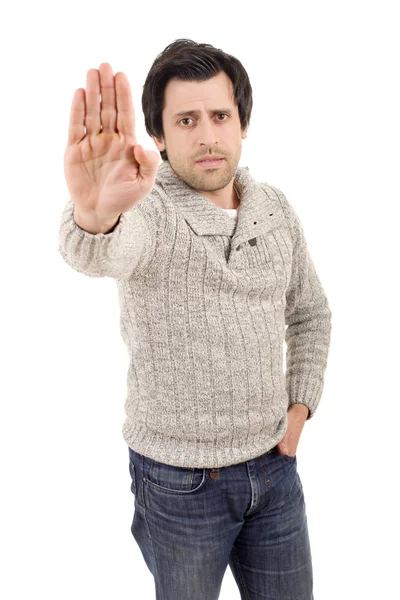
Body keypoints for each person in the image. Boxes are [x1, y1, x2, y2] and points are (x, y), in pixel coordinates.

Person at [58, 38, 332, 600]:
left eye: (219, 116)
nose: (207, 135)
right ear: (158, 136)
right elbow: (101, 250)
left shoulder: (274, 210)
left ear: (242, 123)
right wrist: (94, 211)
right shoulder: (146, 209)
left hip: (275, 471)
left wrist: (300, 406)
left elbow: (309, 312)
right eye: (185, 120)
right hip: (179, 485)